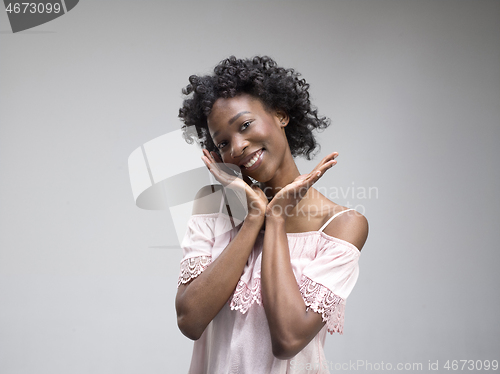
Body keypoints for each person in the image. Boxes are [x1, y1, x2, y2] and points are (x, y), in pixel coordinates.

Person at [175, 56, 368, 374]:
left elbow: (288, 339)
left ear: (281, 114)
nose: (236, 147)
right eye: (222, 142)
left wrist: (275, 219)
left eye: (245, 125)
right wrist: (253, 218)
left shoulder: (340, 225)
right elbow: (190, 321)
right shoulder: (213, 207)